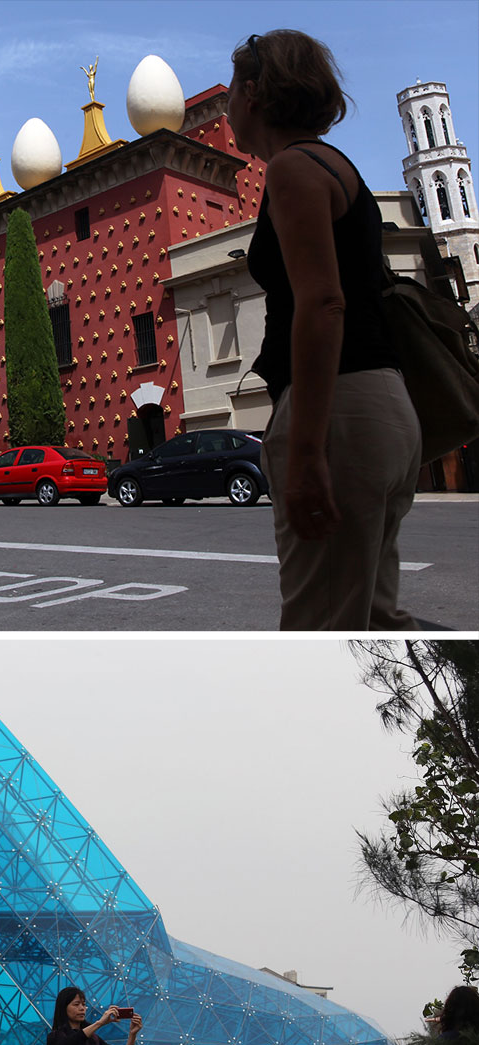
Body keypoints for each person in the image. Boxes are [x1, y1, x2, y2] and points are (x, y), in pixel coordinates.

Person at [229, 29, 416, 630]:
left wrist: (307, 450)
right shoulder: (338, 168)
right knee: (368, 614)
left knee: (318, 624)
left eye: (232, 88)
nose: (227, 104)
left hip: (337, 409)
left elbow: (323, 303)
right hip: (380, 403)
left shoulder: (292, 169)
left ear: (255, 92)